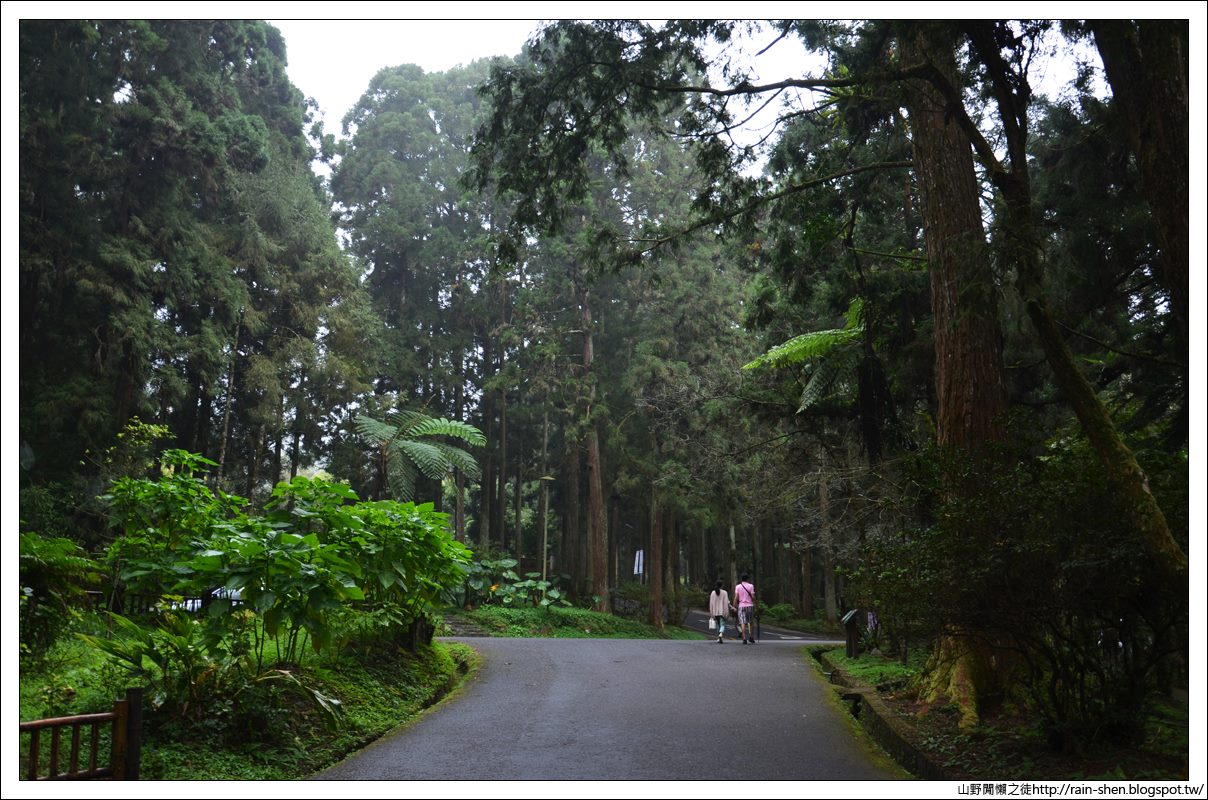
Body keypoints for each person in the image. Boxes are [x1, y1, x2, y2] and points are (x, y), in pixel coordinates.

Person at [734, 572, 757, 644]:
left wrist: (734, 606)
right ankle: (751, 637)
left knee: (743, 622)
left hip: (741, 606)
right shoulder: (751, 586)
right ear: (747, 578)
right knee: (751, 622)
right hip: (750, 606)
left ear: (741, 579)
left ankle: (744, 638)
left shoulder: (738, 586)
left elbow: (736, 597)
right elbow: (753, 597)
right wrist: (756, 603)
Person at [708, 579, 732, 644]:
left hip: (715, 611)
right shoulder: (725, 592)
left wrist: (711, 611)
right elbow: (727, 602)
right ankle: (721, 634)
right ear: (722, 585)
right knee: (722, 624)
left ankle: (719, 638)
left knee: (718, 624)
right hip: (722, 611)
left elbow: (711, 603)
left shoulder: (713, 592)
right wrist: (730, 608)